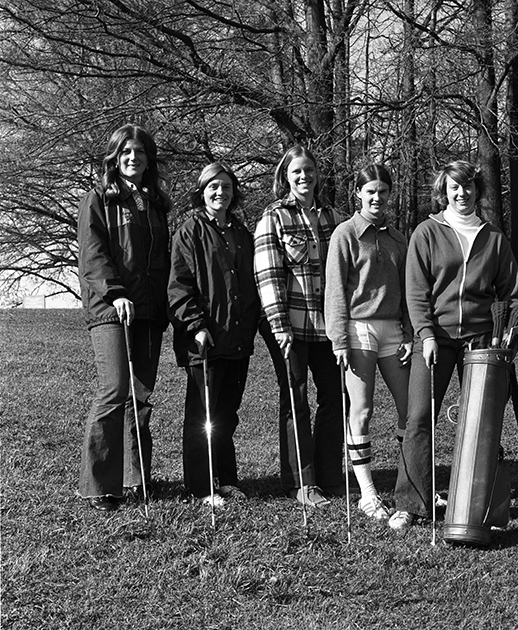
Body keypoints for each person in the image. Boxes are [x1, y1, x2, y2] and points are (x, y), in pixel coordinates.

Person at [389, 160, 518, 531]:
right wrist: (427, 335)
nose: (461, 193)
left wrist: (509, 332)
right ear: (443, 192)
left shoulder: (494, 237)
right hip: (436, 338)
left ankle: (484, 506)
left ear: (477, 190)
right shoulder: (427, 232)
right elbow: (416, 292)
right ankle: (411, 503)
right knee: (418, 418)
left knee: (484, 420)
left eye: (467, 186)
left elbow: (511, 293)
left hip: (482, 340)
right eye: (453, 188)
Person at [77, 124, 170, 512]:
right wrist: (115, 294)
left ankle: (137, 480)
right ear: (114, 158)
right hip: (111, 310)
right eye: (127, 152)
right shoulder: (98, 199)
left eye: (141, 153)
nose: (134, 159)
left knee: (141, 398)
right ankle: (100, 485)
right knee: (115, 391)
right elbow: (93, 255)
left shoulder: (156, 204)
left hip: (149, 312)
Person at [254, 145, 344, 507]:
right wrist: (279, 326)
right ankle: (301, 482)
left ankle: (329, 475)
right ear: (285, 177)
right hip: (289, 324)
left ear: (317, 174)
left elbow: (345, 274)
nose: (304, 177)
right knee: (296, 398)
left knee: (334, 397)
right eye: (296, 172)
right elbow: (267, 274)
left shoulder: (334, 217)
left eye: (309, 170)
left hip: (328, 326)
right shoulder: (274, 217)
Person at [168, 162, 260, 506]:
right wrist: (196, 326)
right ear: (202, 191)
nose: (220, 192)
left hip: (237, 338)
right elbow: (179, 286)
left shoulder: (240, 232)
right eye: (213, 187)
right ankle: (200, 486)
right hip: (204, 339)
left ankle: (225, 478)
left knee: (226, 414)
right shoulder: (189, 231)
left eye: (226, 186)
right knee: (202, 415)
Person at [325, 164, 413, 521]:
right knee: (361, 410)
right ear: (358, 194)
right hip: (358, 330)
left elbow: (409, 289)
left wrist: (408, 331)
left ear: (390, 194)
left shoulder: (398, 238)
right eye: (370, 192)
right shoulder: (345, 234)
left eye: (383, 191)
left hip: (393, 329)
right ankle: (367, 494)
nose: (377, 198)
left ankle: (414, 486)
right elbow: (334, 290)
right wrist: (339, 339)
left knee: (412, 409)